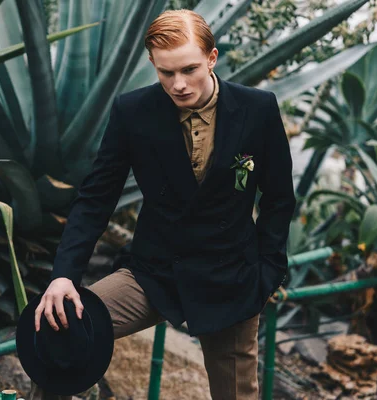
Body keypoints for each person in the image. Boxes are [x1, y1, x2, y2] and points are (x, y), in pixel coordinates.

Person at [31, 8, 296, 400]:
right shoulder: (132, 112)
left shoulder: (257, 109)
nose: (178, 85)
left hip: (231, 279)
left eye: (189, 69)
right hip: (153, 273)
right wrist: (63, 275)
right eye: (165, 72)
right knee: (57, 337)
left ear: (211, 58)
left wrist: (267, 273)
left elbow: (278, 199)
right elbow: (95, 200)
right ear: (152, 63)